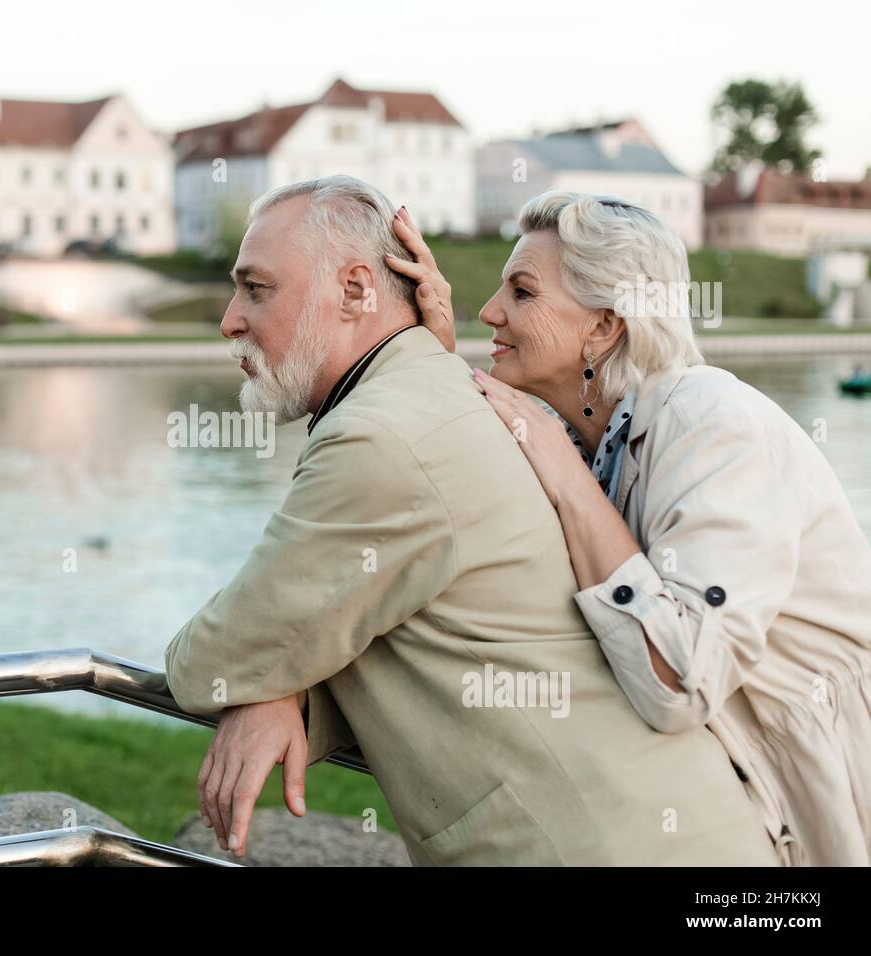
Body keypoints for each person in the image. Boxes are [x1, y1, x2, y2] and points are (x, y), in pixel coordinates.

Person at [163, 175, 778, 866]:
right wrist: (278, 682)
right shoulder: (443, 399)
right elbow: (356, 620)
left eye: (256, 288)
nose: (230, 319)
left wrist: (266, 678)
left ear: (359, 290)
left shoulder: (385, 433)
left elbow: (210, 661)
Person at [388, 190, 871, 866]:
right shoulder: (586, 438)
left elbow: (678, 680)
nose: (489, 312)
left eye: (521, 292)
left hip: (820, 799)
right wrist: (431, 356)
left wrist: (563, 472)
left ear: (605, 327)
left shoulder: (713, 423)